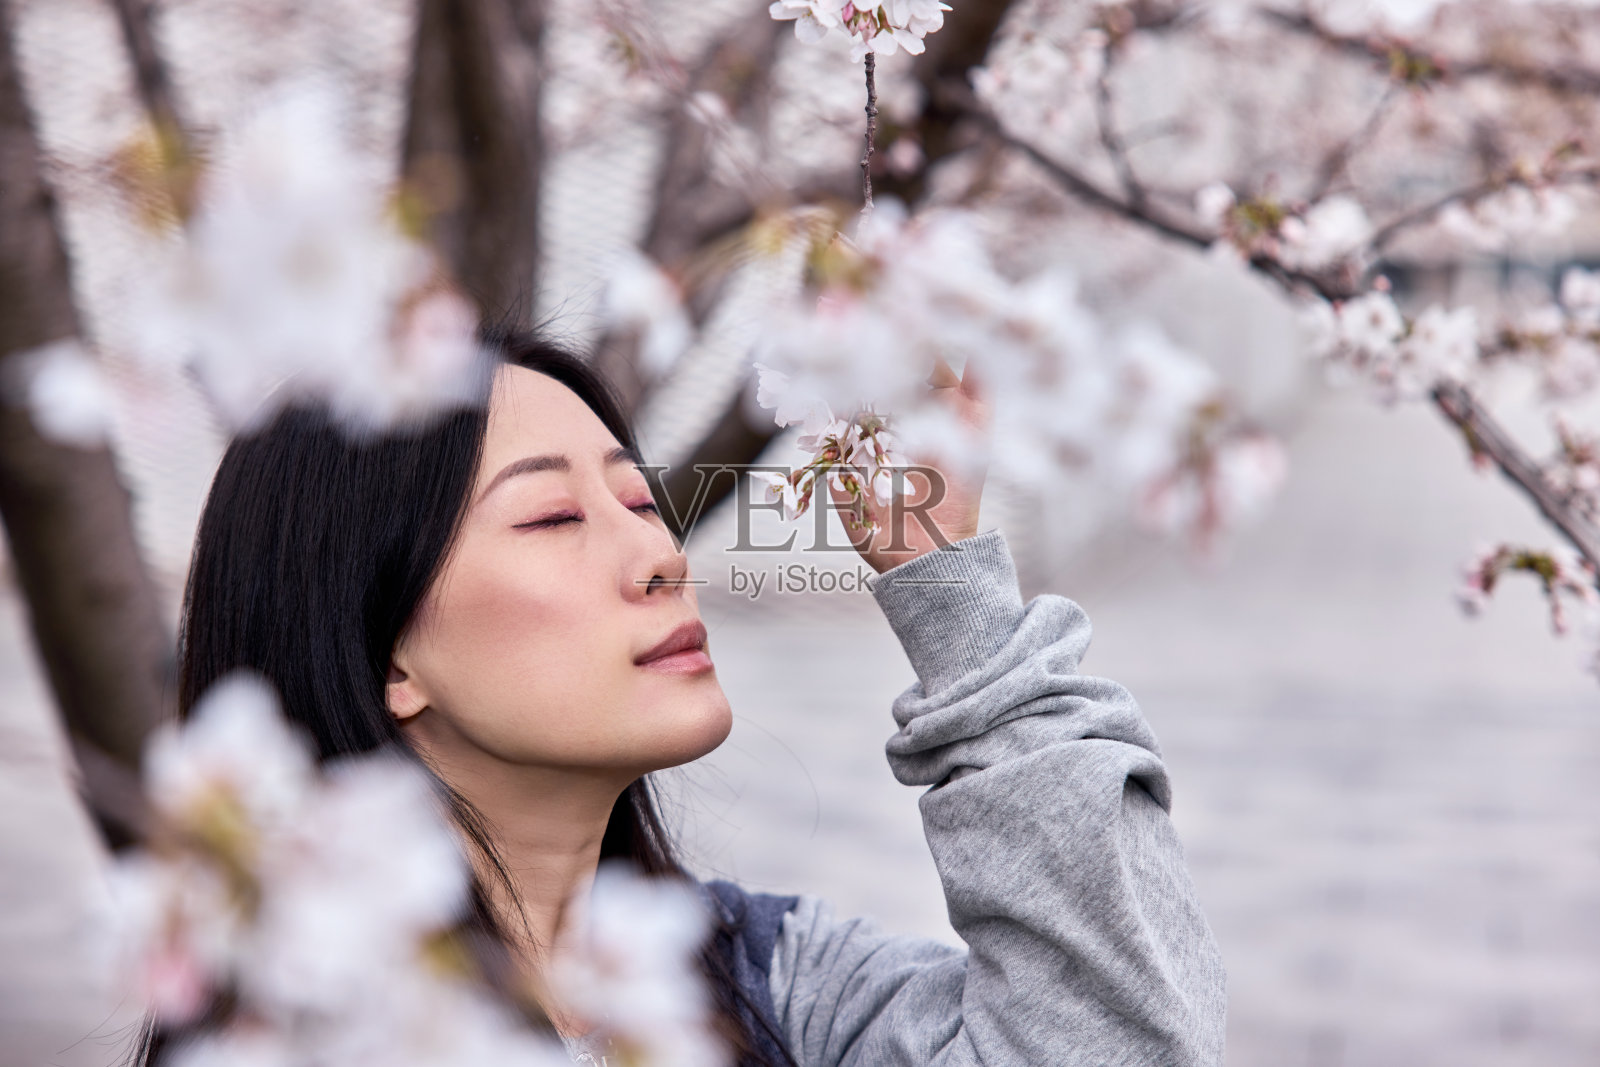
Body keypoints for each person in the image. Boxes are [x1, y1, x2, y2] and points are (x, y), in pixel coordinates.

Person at [147, 330, 1227, 1066]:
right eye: (552, 518)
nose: (659, 554)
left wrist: (953, 595)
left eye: (636, 496)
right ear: (384, 653)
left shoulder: (767, 981)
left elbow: (1122, 1037)